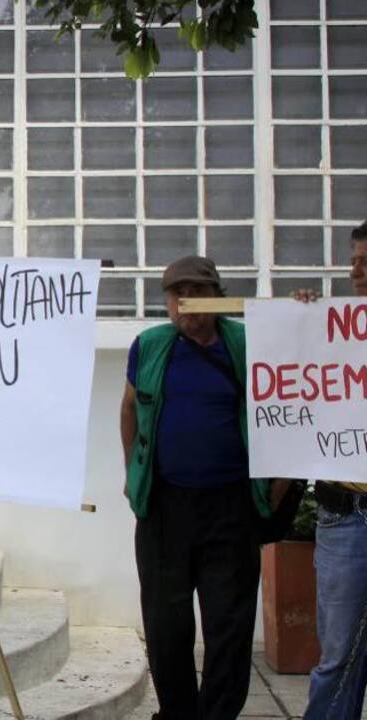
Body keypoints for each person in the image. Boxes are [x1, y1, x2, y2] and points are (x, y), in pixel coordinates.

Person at [120, 255, 273, 720]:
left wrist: (304, 311)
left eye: (194, 293)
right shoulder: (149, 346)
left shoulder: (250, 343)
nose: (183, 304)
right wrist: (132, 473)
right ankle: (178, 713)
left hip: (231, 506)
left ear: (218, 297)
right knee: (166, 626)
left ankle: (218, 714)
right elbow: (129, 408)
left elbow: (297, 386)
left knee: (228, 624)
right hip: (165, 507)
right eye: (174, 295)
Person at [294, 220, 367, 720]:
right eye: (354, 261)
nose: (357, 271)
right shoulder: (330, 328)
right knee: (339, 654)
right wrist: (297, 320)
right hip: (346, 514)